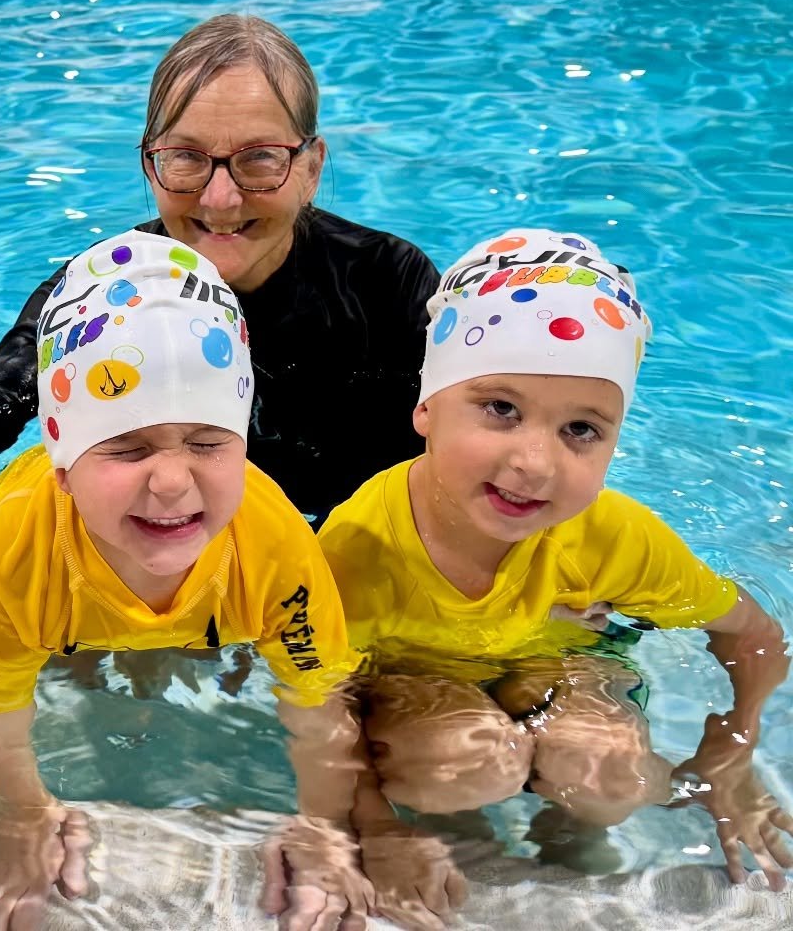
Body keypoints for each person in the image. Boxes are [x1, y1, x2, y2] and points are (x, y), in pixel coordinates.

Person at [318, 228, 793, 927]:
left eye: (581, 429)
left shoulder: (613, 536)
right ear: (425, 405)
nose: (533, 463)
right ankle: (464, 825)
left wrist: (730, 754)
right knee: (458, 766)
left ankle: (576, 839)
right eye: (500, 409)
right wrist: (375, 825)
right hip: (416, 676)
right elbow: (320, 692)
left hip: (567, 660)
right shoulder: (360, 544)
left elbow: (753, 634)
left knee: (613, 778)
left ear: (615, 443)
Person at [0, 13, 439, 524]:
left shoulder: (387, 282)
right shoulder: (104, 289)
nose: (220, 199)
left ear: (312, 168)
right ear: (149, 166)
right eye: (186, 158)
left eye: (260, 159)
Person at [0, 231, 373, 931]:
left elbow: (319, 704)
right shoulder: (18, 551)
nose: (172, 483)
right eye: (127, 446)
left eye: (208, 443)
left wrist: (322, 826)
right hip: (47, 556)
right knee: (56, 664)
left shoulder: (274, 542)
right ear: (63, 465)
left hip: (203, 590)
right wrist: (25, 815)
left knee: (200, 650)